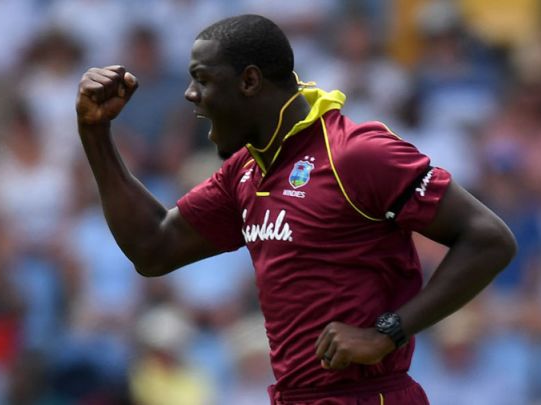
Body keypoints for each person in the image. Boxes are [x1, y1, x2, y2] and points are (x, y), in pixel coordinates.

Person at [75, 14, 517, 405]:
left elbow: (489, 239)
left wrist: (388, 331)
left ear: (249, 82)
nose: (190, 94)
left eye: (202, 79)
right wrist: (95, 134)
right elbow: (153, 248)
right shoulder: (246, 172)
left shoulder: (354, 154)